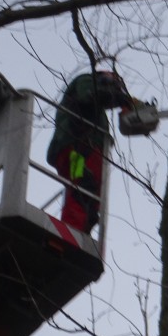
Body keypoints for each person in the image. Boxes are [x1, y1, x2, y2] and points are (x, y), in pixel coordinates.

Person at [47, 69, 156, 233]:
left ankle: (82, 231)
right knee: (82, 186)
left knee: (92, 200)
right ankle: (70, 230)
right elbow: (88, 96)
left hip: (90, 152)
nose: (115, 89)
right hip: (76, 148)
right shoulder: (86, 80)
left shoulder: (99, 114)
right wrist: (122, 99)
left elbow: (104, 101)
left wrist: (136, 118)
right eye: (114, 84)